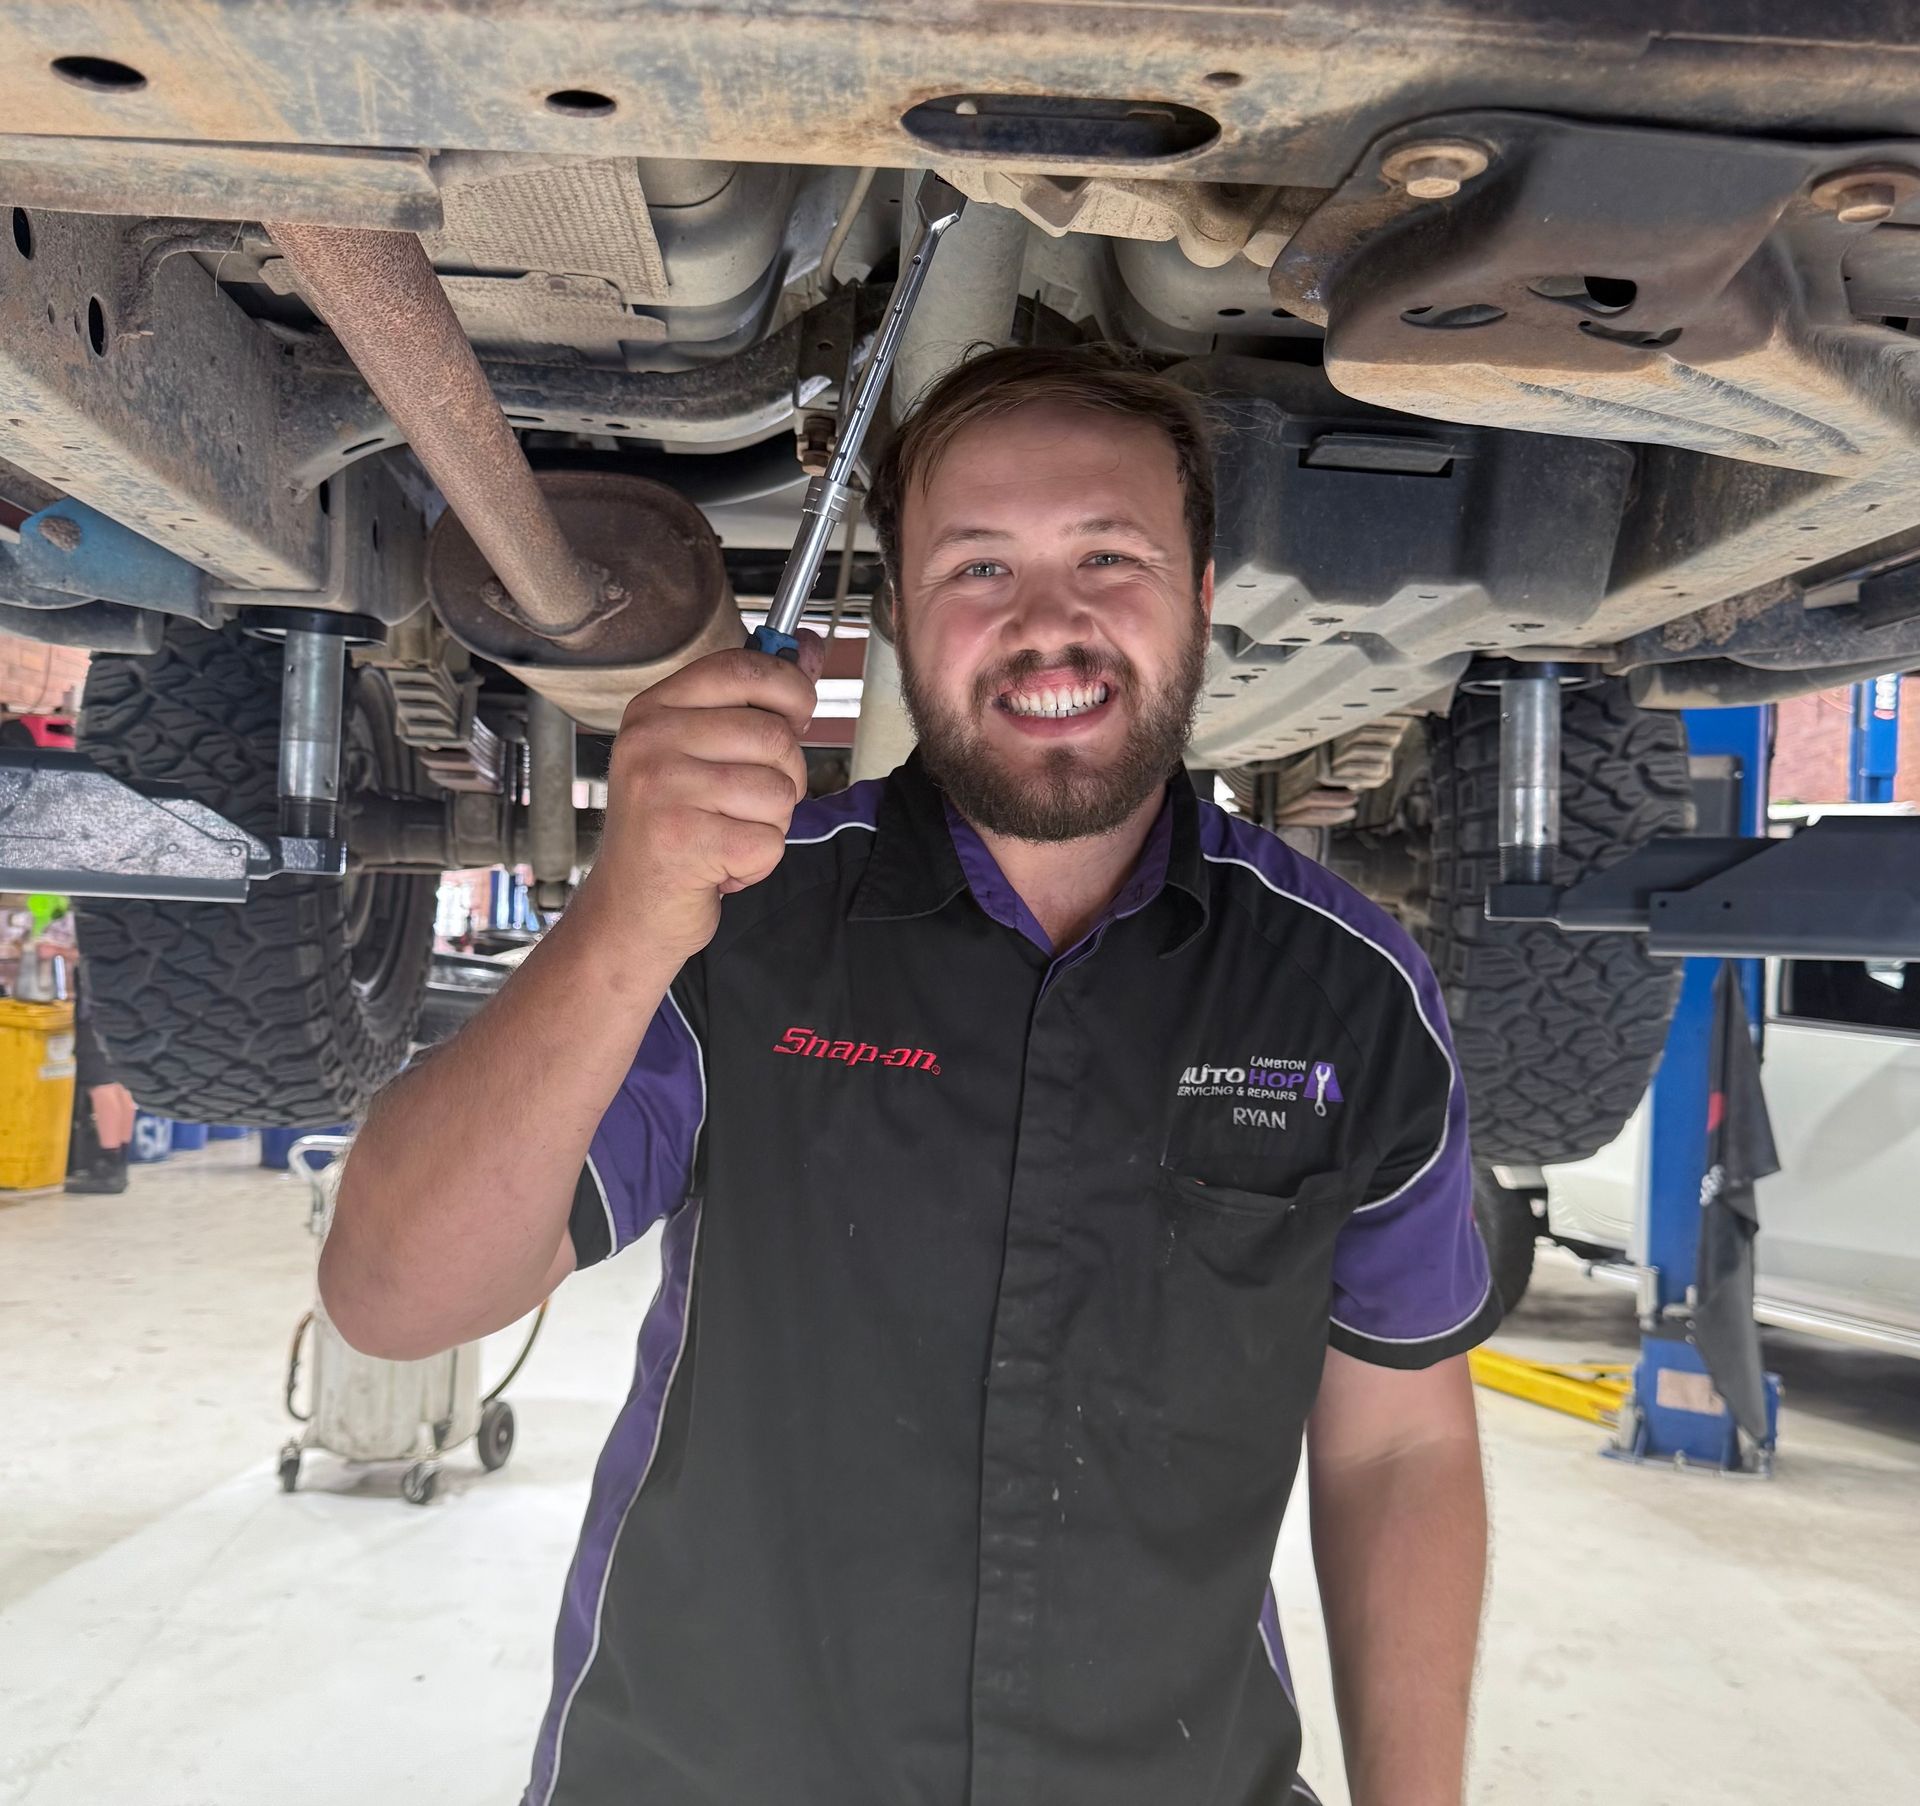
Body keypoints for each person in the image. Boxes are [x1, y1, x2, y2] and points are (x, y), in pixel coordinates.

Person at [328, 346, 1500, 1806]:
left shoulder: (1353, 995)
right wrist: (624, 913)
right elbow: (392, 1294)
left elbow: (1398, 1446)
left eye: (1111, 556)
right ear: (894, 619)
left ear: (1203, 596)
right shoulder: (735, 928)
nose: (1050, 626)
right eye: (979, 569)